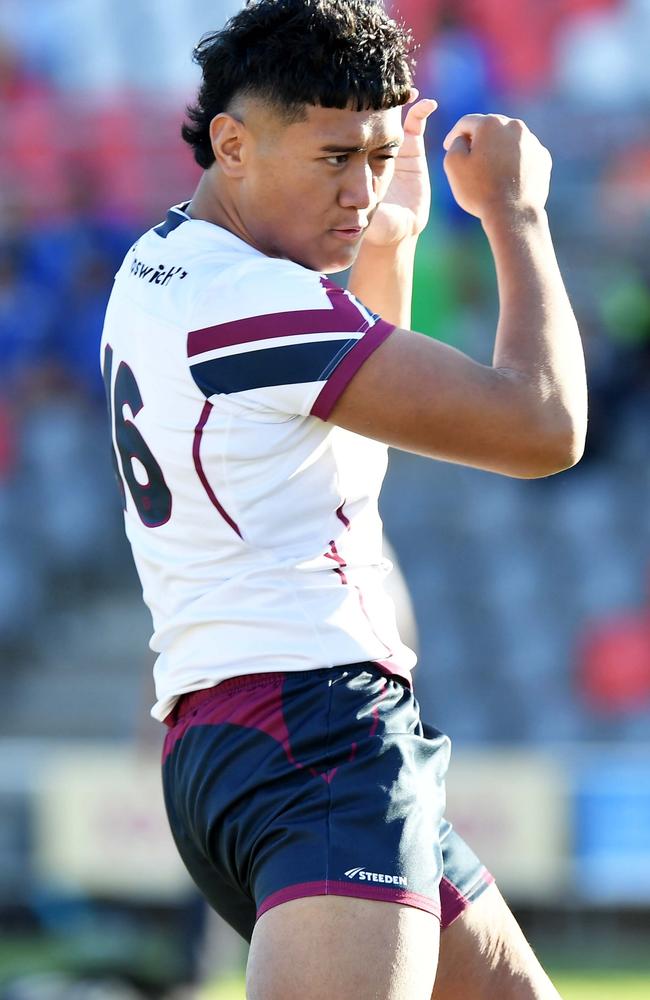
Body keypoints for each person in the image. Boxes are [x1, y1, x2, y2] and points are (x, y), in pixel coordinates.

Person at [100, 1, 587, 997]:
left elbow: (339, 437)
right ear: (231, 144)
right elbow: (541, 428)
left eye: (376, 154)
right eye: (333, 157)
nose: (360, 190)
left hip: (242, 728)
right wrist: (514, 214)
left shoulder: (167, 263)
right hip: (312, 727)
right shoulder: (250, 303)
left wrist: (391, 245)